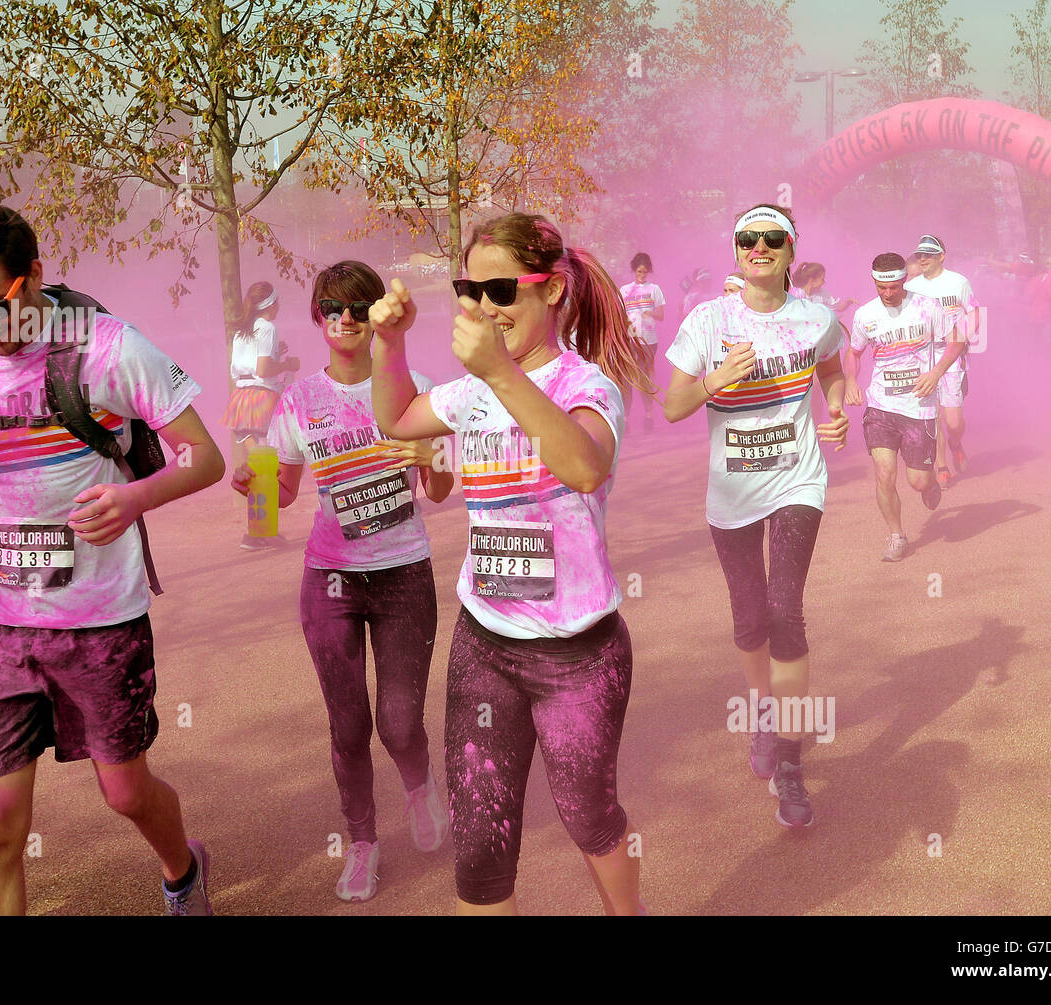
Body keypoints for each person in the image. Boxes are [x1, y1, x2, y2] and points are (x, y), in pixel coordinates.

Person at [0, 202, 226, 915]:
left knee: (126, 791)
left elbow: (205, 458)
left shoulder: (109, 347)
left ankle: (182, 868)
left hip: (100, 622)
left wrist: (137, 498)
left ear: (33, 276)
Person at [369, 211, 653, 915]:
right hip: (485, 645)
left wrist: (498, 370)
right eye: (472, 290)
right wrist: (389, 341)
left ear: (552, 290)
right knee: (481, 851)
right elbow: (398, 418)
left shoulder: (587, 384)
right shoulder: (471, 394)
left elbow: (583, 465)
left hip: (578, 655)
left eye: (502, 291)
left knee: (589, 817)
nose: (485, 307)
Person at [231, 260, 454, 903]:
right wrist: (257, 484)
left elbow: (438, 491)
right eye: (334, 308)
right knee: (349, 724)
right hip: (329, 580)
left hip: (404, 574)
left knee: (401, 722)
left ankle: (419, 784)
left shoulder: (419, 387)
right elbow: (286, 490)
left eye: (360, 307)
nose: (347, 319)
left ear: (379, 315)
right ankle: (362, 846)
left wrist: (429, 460)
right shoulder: (297, 401)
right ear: (317, 319)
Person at [664, 202, 849, 828]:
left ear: (792, 253)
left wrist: (839, 408)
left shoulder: (816, 318)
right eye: (749, 238)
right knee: (749, 618)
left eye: (773, 239)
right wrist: (717, 378)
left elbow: (832, 368)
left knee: (784, 608)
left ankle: (791, 761)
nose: (759, 247)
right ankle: (765, 714)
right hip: (732, 492)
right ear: (737, 249)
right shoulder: (708, 319)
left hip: (798, 480)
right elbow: (672, 407)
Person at [843, 253, 964, 561]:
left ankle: (929, 484)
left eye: (894, 287)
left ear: (904, 281)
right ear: (874, 282)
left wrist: (936, 374)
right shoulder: (864, 315)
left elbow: (957, 340)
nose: (887, 294)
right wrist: (851, 381)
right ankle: (897, 536)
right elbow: (853, 353)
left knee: (918, 480)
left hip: (918, 407)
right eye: (881, 288)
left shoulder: (927, 307)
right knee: (884, 475)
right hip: (881, 406)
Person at [222, 281, 300, 550]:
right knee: (266, 470)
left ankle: (257, 532)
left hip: (242, 400)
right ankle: (258, 533)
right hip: (261, 399)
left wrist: (278, 354)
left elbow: (244, 368)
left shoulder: (242, 331)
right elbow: (264, 368)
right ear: (272, 304)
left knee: (256, 470)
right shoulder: (267, 327)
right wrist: (287, 365)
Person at [904, 235, 978, 488]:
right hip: (923, 357)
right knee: (932, 416)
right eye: (919, 255)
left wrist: (963, 340)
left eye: (928, 254)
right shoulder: (911, 287)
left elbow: (974, 311)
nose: (922, 259)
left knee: (953, 422)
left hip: (951, 355)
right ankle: (942, 466)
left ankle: (956, 443)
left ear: (941, 256)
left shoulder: (958, 282)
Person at [619, 252, 667, 431]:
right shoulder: (624, 290)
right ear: (634, 270)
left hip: (648, 341)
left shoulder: (654, 289)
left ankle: (649, 417)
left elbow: (661, 315)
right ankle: (625, 419)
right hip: (630, 339)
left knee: (644, 378)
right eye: (639, 272)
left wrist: (650, 313)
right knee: (626, 379)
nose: (642, 275)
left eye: (645, 272)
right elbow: (620, 315)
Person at [792, 262, 856, 316]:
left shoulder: (823, 294)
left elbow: (837, 307)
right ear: (812, 281)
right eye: (822, 279)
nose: (824, 282)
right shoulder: (798, 294)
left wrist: (848, 302)